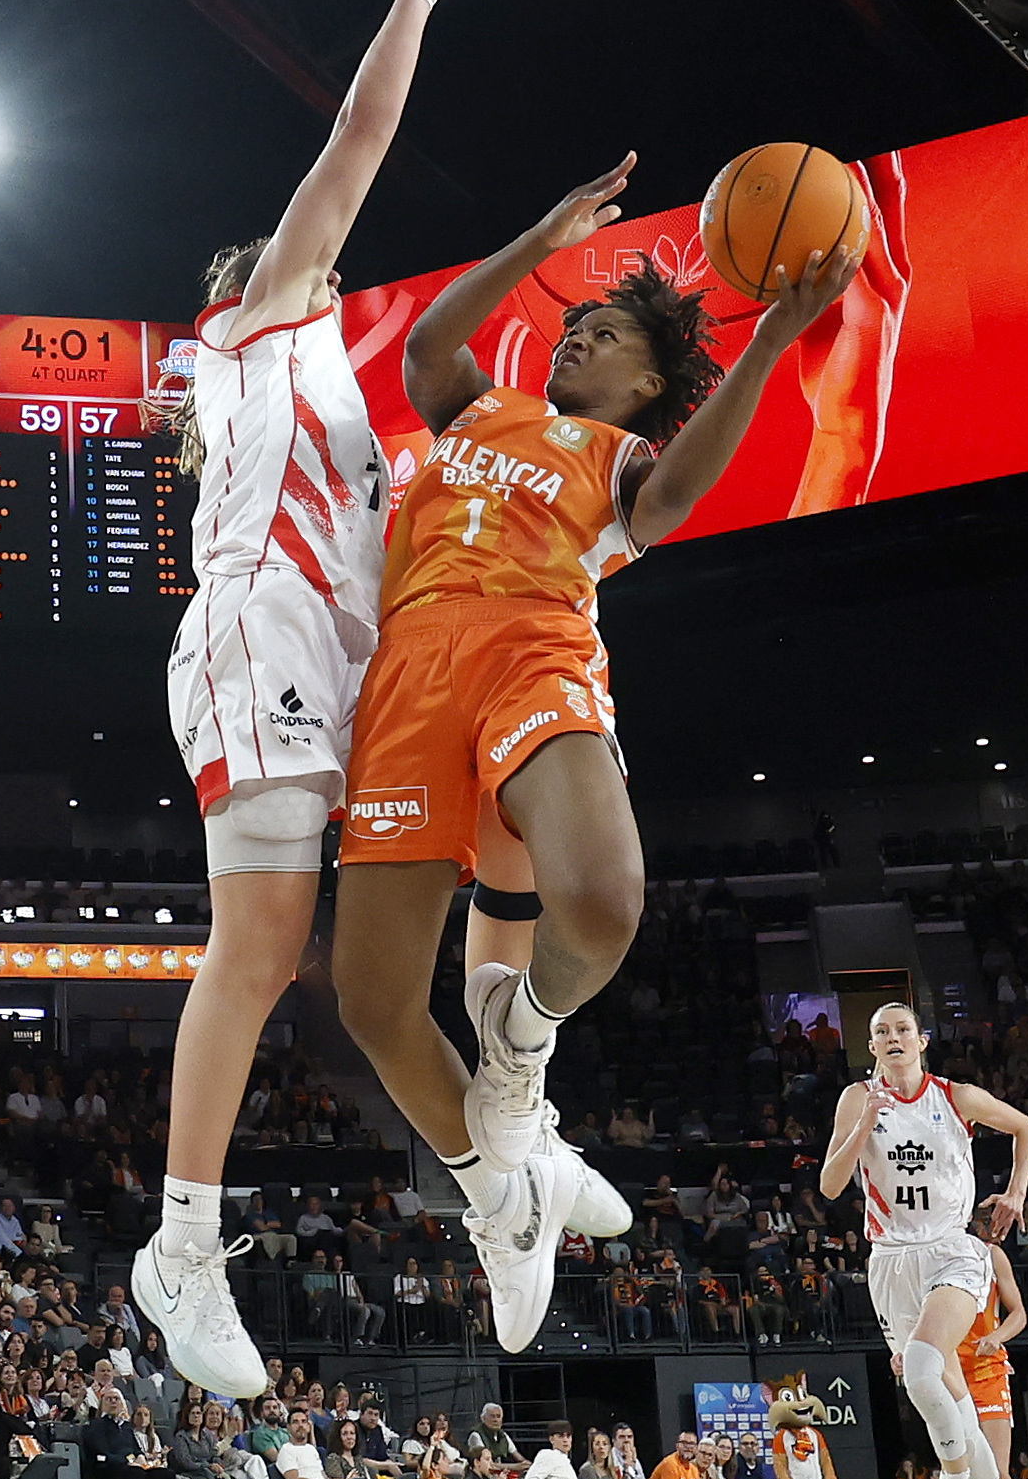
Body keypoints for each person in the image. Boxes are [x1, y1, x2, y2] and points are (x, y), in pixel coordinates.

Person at [325, 154, 863, 1352]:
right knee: (369, 999)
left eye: (602, 331)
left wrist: (774, 338)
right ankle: (504, 1194)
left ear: (651, 379)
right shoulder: (486, 409)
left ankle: (520, 1049)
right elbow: (426, 351)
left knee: (606, 901)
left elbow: (672, 501)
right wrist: (542, 235)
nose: (574, 339)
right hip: (408, 669)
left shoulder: (614, 461)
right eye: (571, 326)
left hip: (532, 646)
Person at [134, 0, 471, 1404]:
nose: (328, 257)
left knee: (351, 945)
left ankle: (510, 1138)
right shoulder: (259, 323)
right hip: (253, 637)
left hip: (335, 669)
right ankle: (181, 1245)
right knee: (261, 951)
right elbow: (356, 145)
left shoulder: (339, 402)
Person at [821, 999, 1028, 1479]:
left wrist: (1015, 1194)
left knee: (922, 1368)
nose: (892, 1038)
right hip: (890, 1263)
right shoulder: (854, 1100)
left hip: (950, 1249)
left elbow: (1027, 1126)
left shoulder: (956, 1096)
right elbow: (831, 1183)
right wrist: (865, 1122)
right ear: (871, 1047)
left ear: (921, 1040)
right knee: (943, 1397)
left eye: (901, 1030)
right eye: (880, 1032)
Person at [959, 1238, 1028, 1479]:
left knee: (998, 1469)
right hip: (949, 1371)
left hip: (987, 1369)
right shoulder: (929, 1254)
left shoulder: (990, 1254)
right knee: (959, 1467)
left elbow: (1019, 1314)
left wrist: (997, 1336)